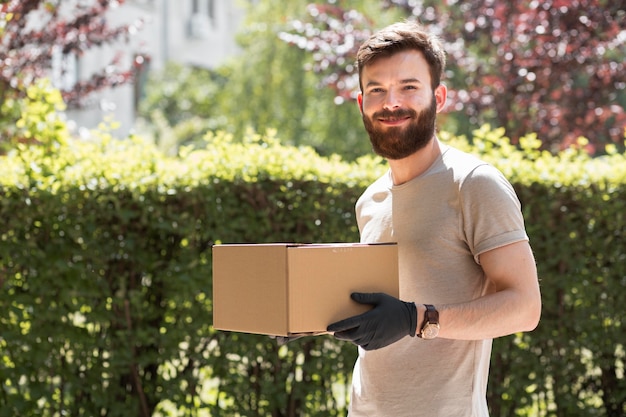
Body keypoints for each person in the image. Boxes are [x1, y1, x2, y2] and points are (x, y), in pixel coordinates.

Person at [326, 21, 542, 416]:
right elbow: (379, 313)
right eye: (377, 90)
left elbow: (525, 307)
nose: (391, 102)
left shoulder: (474, 184)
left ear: (438, 97)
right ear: (361, 103)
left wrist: (417, 319)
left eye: (409, 87)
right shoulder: (369, 201)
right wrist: (305, 316)